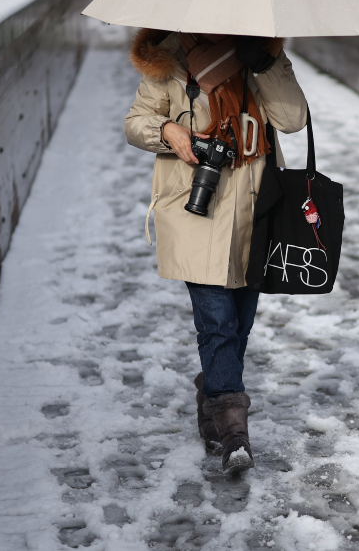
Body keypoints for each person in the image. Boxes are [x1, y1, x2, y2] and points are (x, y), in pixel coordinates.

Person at [125, 29, 308, 473]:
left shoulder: (259, 55)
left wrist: (263, 64)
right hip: (195, 210)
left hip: (254, 209)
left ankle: (213, 392)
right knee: (218, 322)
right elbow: (135, 122)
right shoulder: (166, 59)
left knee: (239, 323)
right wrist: (167, 129)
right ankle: (233, 432)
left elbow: (292, 119)